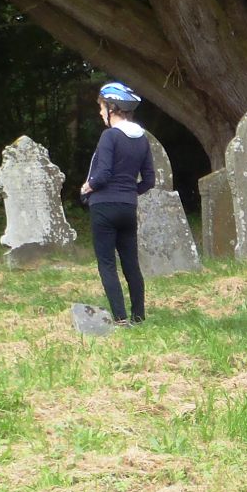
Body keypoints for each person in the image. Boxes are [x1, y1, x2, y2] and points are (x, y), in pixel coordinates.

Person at [80, 82, 153, 325]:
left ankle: (120, 319)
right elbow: (149, 180)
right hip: (127, 207)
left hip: (104, 207)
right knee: (131, 264)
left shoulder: (109, 136)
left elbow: (102, 175)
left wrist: (86, 188)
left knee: (107, 264)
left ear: (113, 108)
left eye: (102, 108)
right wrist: (130, 191)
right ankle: (139, 317)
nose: (101, 113)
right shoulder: (142, 139)